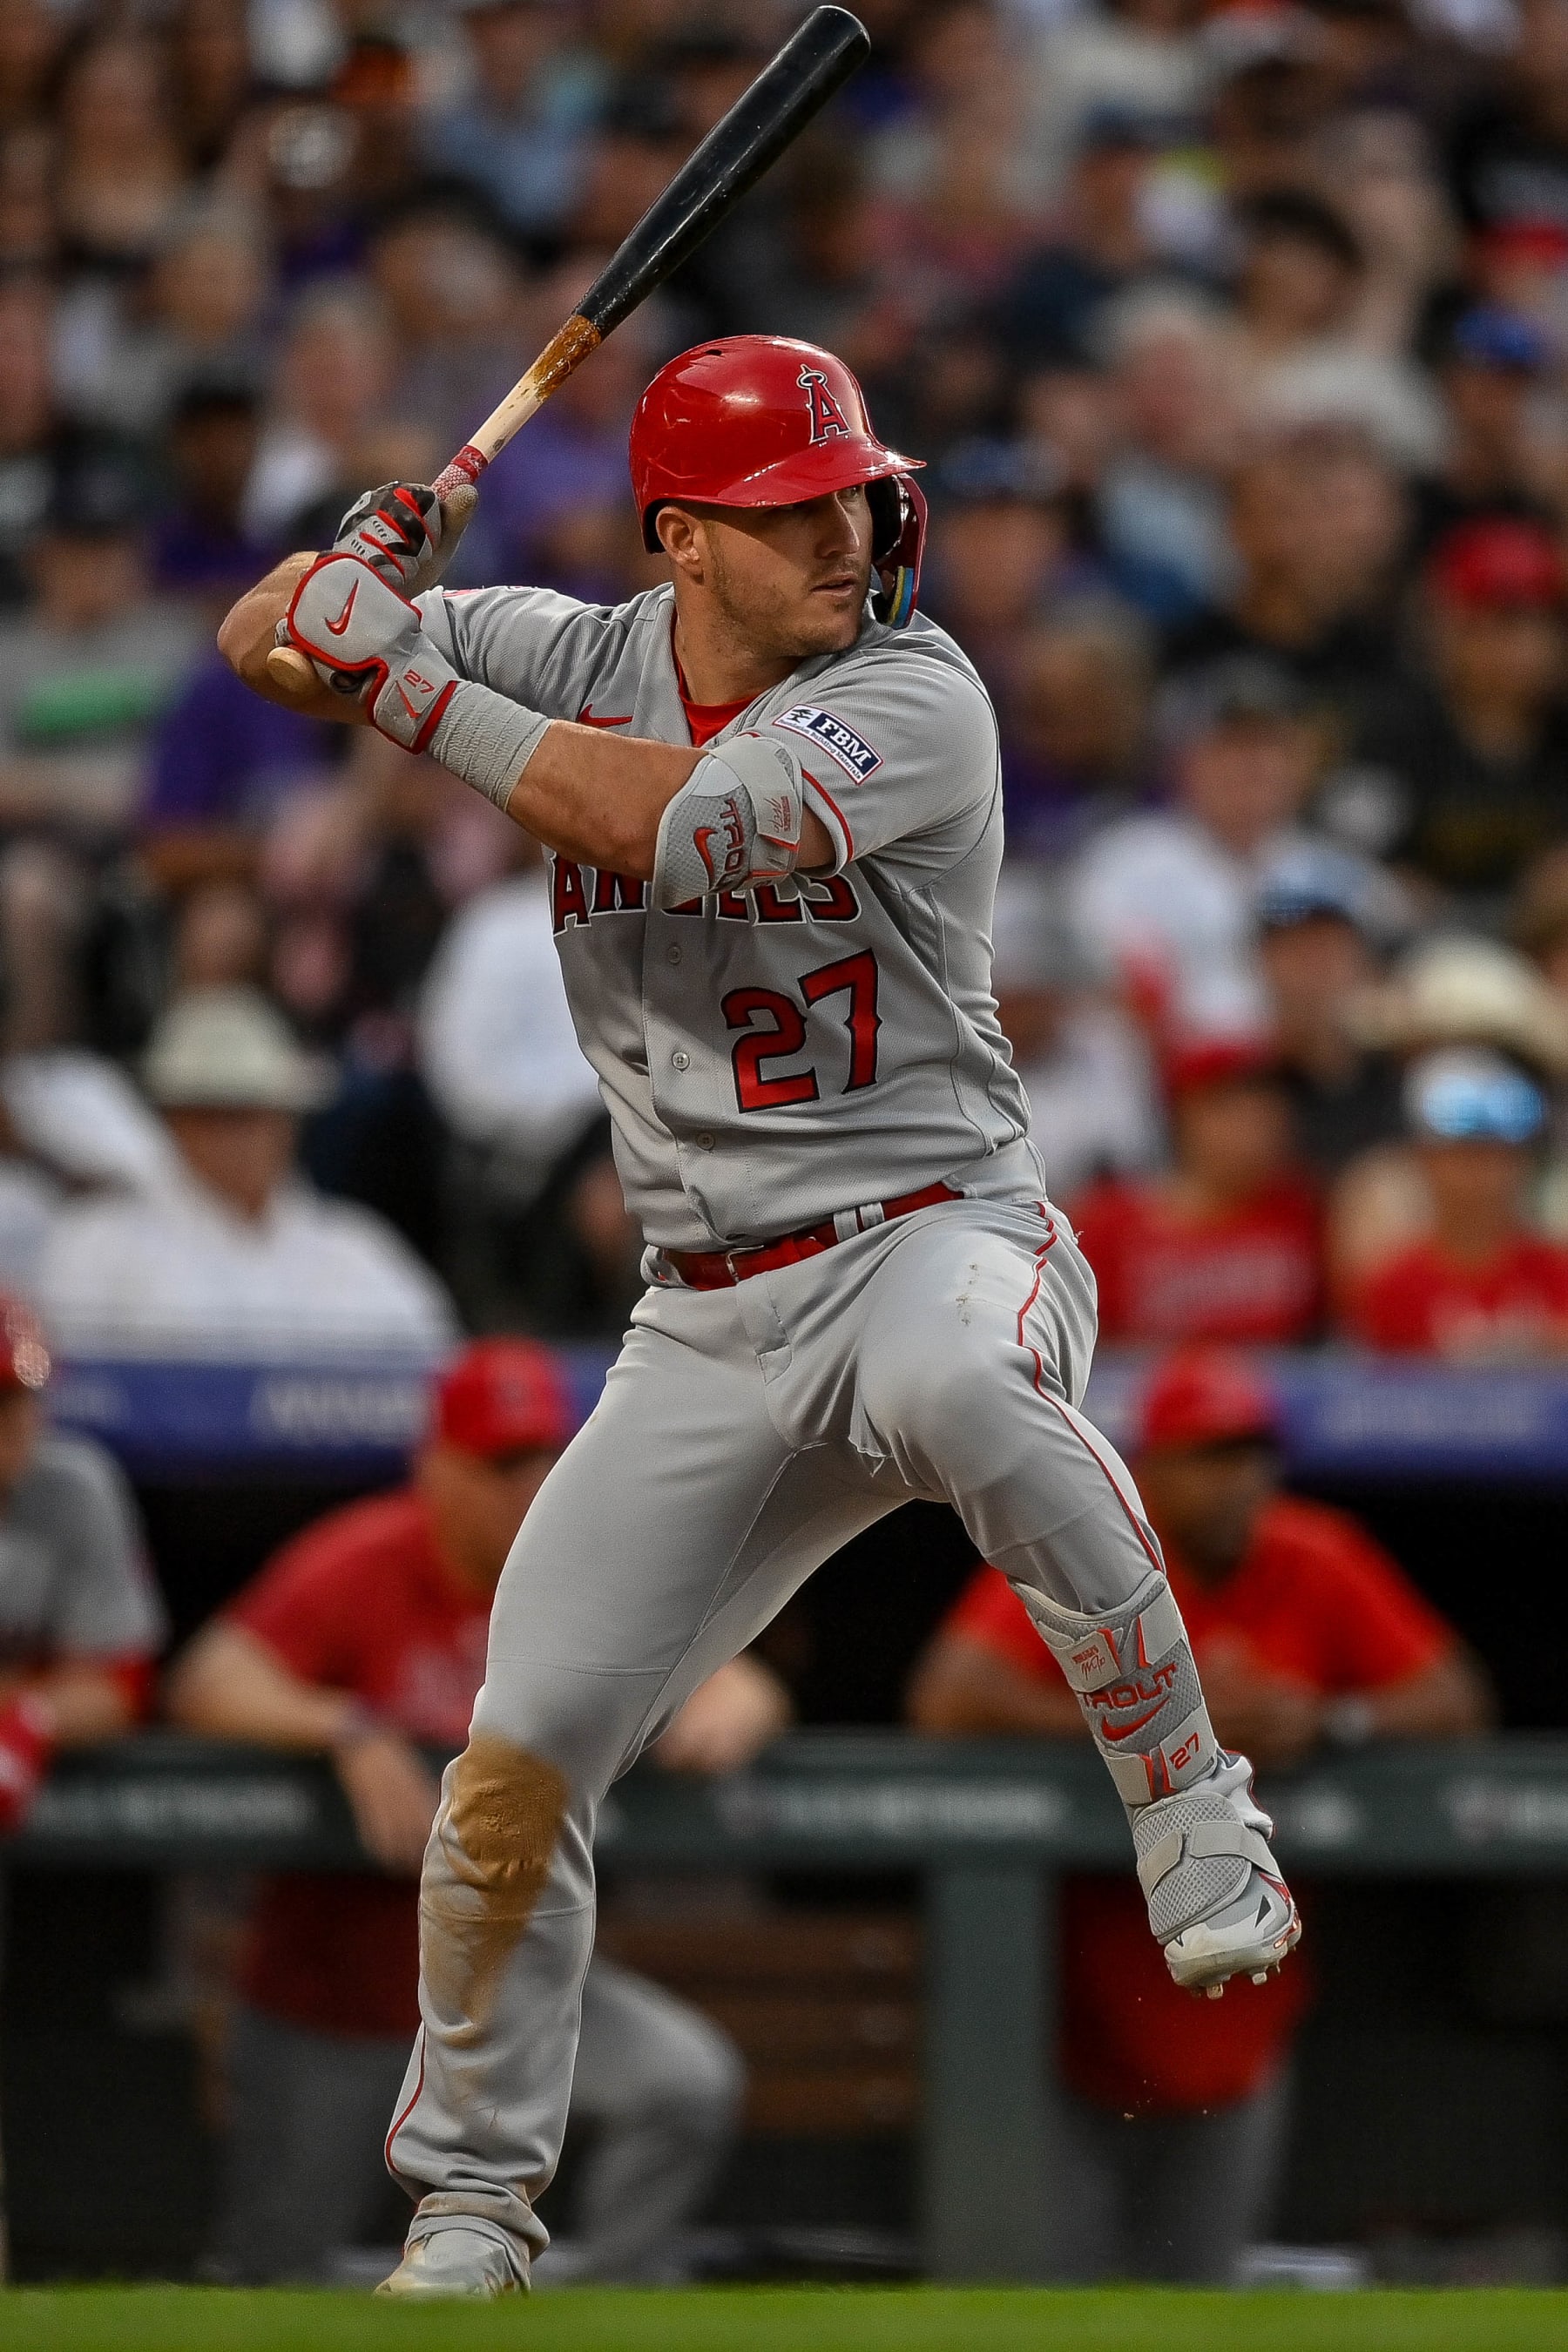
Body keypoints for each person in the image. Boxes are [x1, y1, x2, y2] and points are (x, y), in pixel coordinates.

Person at [220, 330, 1301, 2301]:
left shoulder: (916, 688)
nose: (850, 529)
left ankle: (1188, 1800)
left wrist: (389, 664)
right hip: (704, 1307)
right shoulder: (566, 645)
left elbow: (683, 831)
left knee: (974, 1383)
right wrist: (349, 571)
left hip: (932, 1225)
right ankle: (469, 2196)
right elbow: (261, 642)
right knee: (518, 1747)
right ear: (679, 539)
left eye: (854, 493)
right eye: (795, 509)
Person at [167, 1338, 753, 2286]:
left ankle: (598, 2310)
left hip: (520, 1985)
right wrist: (343, 1726)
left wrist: (721, 1705)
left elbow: (743, 1684)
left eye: (541, 1465)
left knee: (683, 2083)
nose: (526, 1492)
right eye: (497, 1469)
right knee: (280, 2277)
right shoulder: (367, 1556)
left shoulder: (592, 1565)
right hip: (344, 1996)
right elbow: (209, 1679)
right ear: (434, 1468)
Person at [909, 1346, 1491, 2282]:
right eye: (1211, 1455)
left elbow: (1456, 1702)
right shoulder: (1097, 1551)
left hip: (1241, 2016)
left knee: (1199, 2304)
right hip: (1074, 2010)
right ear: (1151, 1469)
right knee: (1049, 2308)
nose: (1241, 1480)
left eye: (1254, 1453)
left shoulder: (1315, 1552)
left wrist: (1330, 1716)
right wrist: (1156, 1725)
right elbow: (948, 1700)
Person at [36, 986, 455, 1359]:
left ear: (288, 1121)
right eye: (212, 1114)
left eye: (252, 1113)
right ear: (173, 1121)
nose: (237, 1138)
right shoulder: (99, 1244)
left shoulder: (355, 1250)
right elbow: (51, 1390)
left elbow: (435, 1374)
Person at [1071, 653, 1320, 1037]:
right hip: (1166, 1077)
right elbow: (1097, 992)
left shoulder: (1328, 870)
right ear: (1184, 760)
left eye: (1267, 747)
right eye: (1229, 746)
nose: (1250, 766)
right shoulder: (1124, 862)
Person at [0, 1294, 166, 1829]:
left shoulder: (75, 1487)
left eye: (24, 1393)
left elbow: (121, 1683)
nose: (17, 1419)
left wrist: (30, 1717)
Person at [1070, 1037, 1323, 1347]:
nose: (1255, 1122)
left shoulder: (1307, 1213)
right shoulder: (1109, 1225)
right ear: (1180, 1114)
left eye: (1267, 1103)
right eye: (1227, 1105)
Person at [1343, 1047, 1568, 1358]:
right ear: (1425, 1161)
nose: (1481, 1175)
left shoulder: (1559, 1273)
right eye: (1463, 1156)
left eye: (1498, 1156)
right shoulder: (1392, 1287)